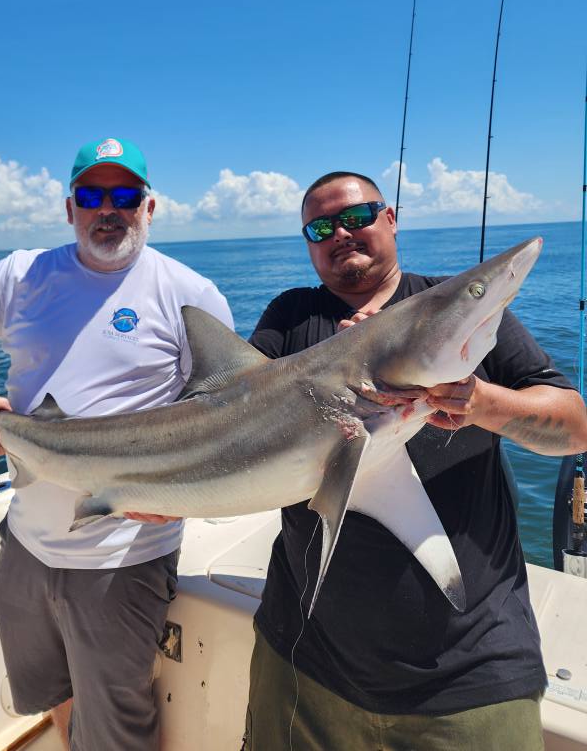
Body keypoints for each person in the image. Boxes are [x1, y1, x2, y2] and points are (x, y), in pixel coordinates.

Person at [0, 136, 233, 751]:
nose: (109, 208)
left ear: (149, 207)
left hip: (121, 559)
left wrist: (184, 494)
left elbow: (222, 419)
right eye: (92, 194)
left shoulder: (192, 295)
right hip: (24, 544)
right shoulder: (25, 274)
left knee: (119, 733)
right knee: (50, 692)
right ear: (69, 207)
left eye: (125, 194)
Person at [243, 170, 587, 751]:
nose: (341, 234)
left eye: (358, 217)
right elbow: (231, 411)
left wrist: (479, 400)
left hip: (470, 671)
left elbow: (575, 428)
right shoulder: (292, 315)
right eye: (321, 226)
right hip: (304, 657)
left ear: (391, 218)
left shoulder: (463, 314)